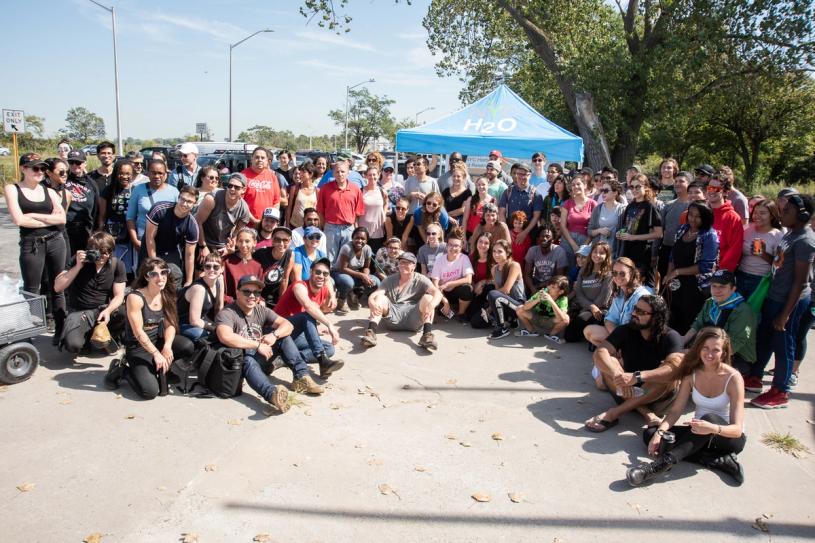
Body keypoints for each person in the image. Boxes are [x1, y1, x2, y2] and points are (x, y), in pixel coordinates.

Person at [626, 327, 746, 486]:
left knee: (708, 418)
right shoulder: (692, 374)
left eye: (715, 350)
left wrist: (711, 428)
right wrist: (660, 433)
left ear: (723, 353)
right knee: (650, 434)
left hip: (726, 437)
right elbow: (676, 411)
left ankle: (657, 467)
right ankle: (715, 460)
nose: (709, 354)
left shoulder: (733, 378)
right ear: (699, 348)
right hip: (697, 432)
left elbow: (737, 430)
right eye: (705, 348)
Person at [747, 194, 815, 409]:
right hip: (774, 295)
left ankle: (780, 391)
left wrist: (785, 314)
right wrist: (763, 256)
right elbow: (780, 263)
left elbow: (801, 282)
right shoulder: (791, 233)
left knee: (784, 345)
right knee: (766, 339)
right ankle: (755, 377)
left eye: (787, 211)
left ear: (802, 215)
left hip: (789, 302)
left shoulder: (805, 241)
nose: (782, 214)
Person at [216, 275, 320, 411]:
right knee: (247, 360)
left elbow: (288, 325)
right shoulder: (227, 313)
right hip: (240, 363)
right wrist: (257, 345)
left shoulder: (260, 310)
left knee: (283, 337)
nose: (252, 296)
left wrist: (274, 335)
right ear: (237, 292)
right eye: (247, 292)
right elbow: (225, 336)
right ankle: (272, 394)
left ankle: (301, 377)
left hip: (261, 357)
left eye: (256, 292)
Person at [585, 295, 683, 431]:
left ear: (656, 317)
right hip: (627, 390)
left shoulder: (671, 336)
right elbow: (600, 353)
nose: (634, 314)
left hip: (657, 397)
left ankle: (614, 413)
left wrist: (637, 377)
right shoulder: (625, 330)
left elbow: (675, 368)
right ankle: (647, 414)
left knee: (666, 373)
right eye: (635, 309)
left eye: (641, 312)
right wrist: (618, 376)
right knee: (609, 362)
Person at [107, 257, 195, 398]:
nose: (160, 278)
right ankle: (121, 370)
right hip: (138, 346)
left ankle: (162, 368)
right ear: (146, 277)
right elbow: (138, 332)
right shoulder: (135, 297)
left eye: (164, 272)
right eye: (154, 274)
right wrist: (156, 354)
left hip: (157, 340)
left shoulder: (166, 294)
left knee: (187, 346)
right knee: (149, 392)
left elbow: (170, 325)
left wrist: (167, 347)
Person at [5, 153, 68, 337]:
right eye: (35, 168)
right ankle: (31, 330)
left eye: (42, 168)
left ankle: (61, 330)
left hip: (55, 240)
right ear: (23, 169)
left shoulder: (49, 191)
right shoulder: (13, 189)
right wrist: (48, 219)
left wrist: (33, 216)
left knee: (58, 286)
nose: (40, 172)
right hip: (31, 243)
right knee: (32, 289)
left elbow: (62, 219)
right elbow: (19, 220)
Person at [54, 232, 127, 354]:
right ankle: (87, 339)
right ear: (90, 250)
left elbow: (119, 295)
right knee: (73, 345)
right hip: (80, 312)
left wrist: (108, 311)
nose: (102, 256)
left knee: (125, 311)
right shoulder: (79, 261)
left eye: (106, 253)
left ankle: (108, 336)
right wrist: (77, 267)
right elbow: (57, 287)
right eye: (98, 252)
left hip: (101, 310)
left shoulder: (116, 265)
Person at [274, 257, 344, 376]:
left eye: (325, 274)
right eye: (318, 272)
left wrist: (314, 329)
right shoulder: (299, 286)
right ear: (311, 272)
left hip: (295, 334)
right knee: (306, 316)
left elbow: (316, 311)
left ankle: (284, 360)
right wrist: (329, 325)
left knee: (329, 349)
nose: (321, 276)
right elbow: (308, 306)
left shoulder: (323, 290)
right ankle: (322, 360)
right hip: (278, 332)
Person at [360, 252, 442, 351]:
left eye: (407, 263)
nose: (403, 265)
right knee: (379, 298)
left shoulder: (420, 279)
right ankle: (371, 333)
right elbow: (376, 294)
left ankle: (427, 335)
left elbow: (437, 293)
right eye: (402, 262)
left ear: (414, 266)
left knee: (428, 298)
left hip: (414, 318)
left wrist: (431, 305)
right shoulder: (390, 279)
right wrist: (371, 301)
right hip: (393, 317)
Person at [682, 270, 756, 375]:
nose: (717, 290)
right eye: (714, 286)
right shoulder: (710, 302)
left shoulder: (742, 310)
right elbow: (697, 325)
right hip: (710, 349)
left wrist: (699, 355)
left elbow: (735, 343)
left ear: (733, 289)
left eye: (722, 286)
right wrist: (681, 343)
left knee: (698, 370)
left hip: (736, 355)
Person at [664, 202, 719, 335]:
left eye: (697, 216)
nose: (692, 219)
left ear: (705, 217)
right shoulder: (683, 229)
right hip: (676, 283)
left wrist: (677, 272)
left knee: (688, 321)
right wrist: (669, 275)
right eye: (691, 215)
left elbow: (705, 266)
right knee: (672, 317)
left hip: (695, 286)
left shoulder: (709, 235)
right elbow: (673, 255)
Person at [583, 257, 652, 348]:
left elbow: (642, 328)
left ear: (631, 274)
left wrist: (618, 338)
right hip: (622, 334)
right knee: (589, 331)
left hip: (636, 339)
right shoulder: (620, 293)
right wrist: (617, 337)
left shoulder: (642, 296)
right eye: (614, 273)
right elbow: (610, 319)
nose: (618, 277)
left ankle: (622, 353)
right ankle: (618, 352)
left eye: (622, 273)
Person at [141, 186, 199, 287]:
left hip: (170, 250)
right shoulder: (159, 209)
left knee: (176, 276)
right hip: (150, 246)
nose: (184, 204)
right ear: (178, 197)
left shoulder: (192, 225)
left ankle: (171, 296)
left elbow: (189, 255)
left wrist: (189, 281)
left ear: (195, 204)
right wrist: (154, 264)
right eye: (182, 199)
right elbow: (149, 237)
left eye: (189, 201)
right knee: (147, 278)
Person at [126, 159, 180, 266]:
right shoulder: (138, 189)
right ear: (148, 173)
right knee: (145, 272)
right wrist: (135, 240)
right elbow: (130, 218)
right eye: (153, 173)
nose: (157, 176)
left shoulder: (174, 192)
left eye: (160, 173)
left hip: (167, 243)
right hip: (143, 241)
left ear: (166, 174)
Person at [617, 173, 662, 287]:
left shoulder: (649, 206)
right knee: (628, 284)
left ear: (646, 187)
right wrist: (620, 233)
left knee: (640, 284)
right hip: (628, 250)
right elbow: (626, 227)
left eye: (638, 186)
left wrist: (634, 237)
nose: (634, 190)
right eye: (632, 187)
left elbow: (659, 233)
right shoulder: (630, 205)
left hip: (642, 253)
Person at [316, 159, 364, 264]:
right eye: (337, 171)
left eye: (342, 171)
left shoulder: (355, 189)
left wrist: (355, 229)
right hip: (331, 228)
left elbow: (358, 213)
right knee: (330, 259)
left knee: (346, 259)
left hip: (348, 228)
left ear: (348, 173)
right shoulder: (325, 189)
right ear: (333, 173)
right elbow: (320, 210)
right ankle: (330, 274)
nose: (340, 174)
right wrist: (325, 226)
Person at [565, 241, 614, 342]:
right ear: (591, 253)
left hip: (599, 309)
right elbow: (579, 293)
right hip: (585, 307)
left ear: (607, 256)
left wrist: (591, 308)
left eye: (601, 253)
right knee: (567, 329)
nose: (597, 255)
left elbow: (604, 297)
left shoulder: (608, 274)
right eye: (595, 252)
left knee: (572, 333)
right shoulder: (583, 270)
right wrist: (590, 306)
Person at [196, 172, 250, 259]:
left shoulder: (244, 209)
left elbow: (237, 232)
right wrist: (202, 246)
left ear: (243, 190)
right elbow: (198, 222)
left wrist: (231, 246)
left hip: (223, 246)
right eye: (230, 186)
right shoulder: (212, 198)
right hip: (203, 241)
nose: (232, 189)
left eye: (236, 187)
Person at [736, 199, 783, 299]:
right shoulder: (747, 229)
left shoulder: (777, 235)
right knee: (737, 307)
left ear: (772, 215)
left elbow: (779, 265)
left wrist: (763, 254)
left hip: (761, 279)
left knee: (752, 308)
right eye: (755, 212)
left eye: (762, 213)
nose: (757, 216)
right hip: (740, 275)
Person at [98, 159, 136, 276]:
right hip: (114, 234)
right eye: (121, 173)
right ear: (116, 173)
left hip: (132, 232)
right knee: (114, 266)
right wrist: (100, 234)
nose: (124, 176)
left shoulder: (136, 189)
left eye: (128, 173)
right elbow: (102, 216)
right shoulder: (108, 190)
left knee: (130, 267)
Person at [178, 253, 224, 344]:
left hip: (201, 320)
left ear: (222, 269)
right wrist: (215, 329)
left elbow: (219, 306)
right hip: (183, 323)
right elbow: (194, 321)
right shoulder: (199, 289)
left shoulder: (220, 280)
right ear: (204, 268)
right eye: (208, 266)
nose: (211, 270)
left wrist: (221, 325)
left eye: (216, 267)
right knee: (204, 334)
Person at [331, 226, 380, 312]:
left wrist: (365, 276)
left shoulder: (367, 249)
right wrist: (361, 275)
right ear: (352, 238)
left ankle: (355, 296)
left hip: (354, 274)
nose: (360, 241)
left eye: (363, 239)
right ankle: (342, 300)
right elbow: (343, 268)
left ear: (367, 240)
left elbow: (366, 267)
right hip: (339, 273)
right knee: (348, 282)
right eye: (357, 238)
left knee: (376, 282)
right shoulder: (347, 248)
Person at [431, 227, 473, 323]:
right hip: (442, 293)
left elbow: (468, 279)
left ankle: (461, 313)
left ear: (461, 247)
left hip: (455, 291)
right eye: (450, 245)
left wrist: (449, 284)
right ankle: (443, 307)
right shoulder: (439, 260)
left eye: (456, 246)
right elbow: (435, 284)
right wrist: (445, 302)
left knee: (468, 288)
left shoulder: (464, 258)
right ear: (446, 246)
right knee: (442, 310)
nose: (453, 248)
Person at [487, 239, 526, 340]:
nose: (496, 254)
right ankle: (512, 320)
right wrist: (490, 307)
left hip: (518, 305)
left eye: (500, 251)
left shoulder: (514, 265)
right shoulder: (494, 269)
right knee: (477, 321)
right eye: (494, 251)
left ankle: (502, 328)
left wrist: (490, 297)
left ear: (507, 253)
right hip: (504, 302)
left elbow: (506, 290)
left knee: (492, 294)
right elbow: (497, 291)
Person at [657, 171, 692, 279]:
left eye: (681, 181)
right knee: (664, 281)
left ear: (689, 184)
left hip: (686, 252)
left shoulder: (694, 206)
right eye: (676, 181)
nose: (677, 184)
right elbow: (660, 231)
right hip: (666, 250)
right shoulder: (668, 206)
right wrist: (654, 253)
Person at [499, 162, 543, 247]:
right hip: (510, 234)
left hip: (529, 235)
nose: (521, 177)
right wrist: (507, 231)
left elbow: (536, 217)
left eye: (524, 174)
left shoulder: (536, 194)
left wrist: (524, 233)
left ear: (530, 175)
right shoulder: (508, 192)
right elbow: (501, 213)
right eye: (519, 174)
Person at [64, 149, 98, 255]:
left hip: (85, 228)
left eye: (78, 162)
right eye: (71, 162)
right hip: (67, 228)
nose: (74, 165)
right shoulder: (63, 180)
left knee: (85, 259)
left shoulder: (91, 183)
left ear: (85, 164)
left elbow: (96, 208)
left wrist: (94, 229)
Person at [516, 275, 570, 342]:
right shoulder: (541, 292)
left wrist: (551, 301)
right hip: (537, 317)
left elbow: (561, 318)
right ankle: (530, 331)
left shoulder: (563, 299)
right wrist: (538, 299)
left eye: (553, 287)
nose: (549, 288)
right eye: (549, 285)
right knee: (519, 309)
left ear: (560, 292)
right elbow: (525, 307)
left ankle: (551, 335)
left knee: (566, 319)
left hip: (551, 321)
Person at [707, 175, 744, 272]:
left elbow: (735, 250)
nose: (712, 191)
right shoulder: (701, 211)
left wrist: (721, 271)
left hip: (718, 272)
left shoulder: (733, 218)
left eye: (717, 189)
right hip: (694, 270)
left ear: (726, 192)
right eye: (710, 187)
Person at [253, 225, 295, 307]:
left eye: (285, 240)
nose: (281, 244)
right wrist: (259, 298)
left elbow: (285, 279)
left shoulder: (290, 255)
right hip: (260, 295)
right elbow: (253, 277)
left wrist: (281, 302)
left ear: (290, 241)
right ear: (272, 240)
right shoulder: (261, 253)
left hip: (275, 296)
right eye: (277, 239)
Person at [523, 224, 568, 294]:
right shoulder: (532, 250)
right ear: (538, 239)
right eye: (542, 236)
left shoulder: (560, 252)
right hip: (536, 282)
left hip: (553, 284)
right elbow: (527, 274)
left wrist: (539, 286)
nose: (544, 238)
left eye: (548, 236)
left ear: (553, 239)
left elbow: (559, 277)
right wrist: (532, 288)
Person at [242, 147, 282, 224]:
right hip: (247, 224)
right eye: (257, 157)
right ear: (251, 159)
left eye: (263, 158)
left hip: (267, 224)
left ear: (267, 161)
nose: (260, 160)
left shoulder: (272, 177)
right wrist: (253, 220)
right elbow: (239, 202)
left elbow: (276, 202)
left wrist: (271, 220)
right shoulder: (243, 176)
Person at [223, 228, 263, 302]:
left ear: (254, 243)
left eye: (247, 241)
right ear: (236, 242)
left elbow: (259, 292)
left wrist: (260, 301)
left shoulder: (258, 267)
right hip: (231, 305)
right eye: (240, 241)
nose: (243, 245)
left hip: (250, 305)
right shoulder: (227, 261)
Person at [588, 178, 626, 254]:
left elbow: (626, 228)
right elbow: (590, 231)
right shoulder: (597, 209)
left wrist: (620, 233)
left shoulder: (623, 209)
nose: (603, 193)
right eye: (602, 190)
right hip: (598, 252)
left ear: (615, 192)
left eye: (606, 191)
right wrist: (599, 230)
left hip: (615, 251)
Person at [359, 166, 388, 252]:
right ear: (366, 176)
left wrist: (384, 215)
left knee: (376, 256)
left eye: (374, 174)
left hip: (378, 231)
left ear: (378, 175)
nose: (372, 177)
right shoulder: (360, 191)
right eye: (370, 175)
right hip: (363, 231)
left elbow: (386, 203)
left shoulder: (382, 191)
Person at [462, 176, 496, 242]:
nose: (481, 187)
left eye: (483, 184)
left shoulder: (493, 201)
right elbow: (465, 220)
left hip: (486, 235)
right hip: (470, 235)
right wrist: (464, 239)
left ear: (488, 185)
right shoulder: (470, 200)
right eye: (479, 185)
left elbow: (494, 222)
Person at [287, 162, 319, 229]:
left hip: (311, 227)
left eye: (303, 172)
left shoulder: (317, 191)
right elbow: (289, 208)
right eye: (300, 172)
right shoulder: (295, 188)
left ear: (311, 174)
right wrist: (287, 225)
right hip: (294, 226)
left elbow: (319, 210)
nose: (300, 174)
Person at [442, 163, 473, 229]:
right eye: (454, 176)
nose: (456, 178)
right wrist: (447, 217)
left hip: (458, 224)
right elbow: (442, 207)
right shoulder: (446, 191)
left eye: (458, 176)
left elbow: (463, 210)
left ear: (463, 178)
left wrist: (446, 215)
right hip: (445, 222)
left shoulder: (467, 193)